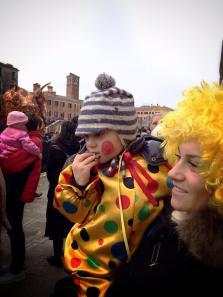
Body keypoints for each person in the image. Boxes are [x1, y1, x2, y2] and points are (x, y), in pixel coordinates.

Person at [53, 73, 171, 297]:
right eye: (86, 136)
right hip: (88, 261)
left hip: (137, 266)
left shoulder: (153, 161)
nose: (90, 144)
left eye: (97, 134)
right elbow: (74, 214)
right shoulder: (81, 165)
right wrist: (78, 183)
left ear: (123, 133)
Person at [106, 81, 223, 295]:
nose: (172, 173)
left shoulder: (197, 268)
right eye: (178, 157)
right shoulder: (166, 218)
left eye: (194, 163)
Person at [0, 113, 43, 284]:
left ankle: (17, 269)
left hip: (17, 191)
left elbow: (12, 165)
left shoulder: (33, 142)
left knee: (15, 227)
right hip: (17, 189)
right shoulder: (28, 141)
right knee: (13, 227)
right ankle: (14, 264)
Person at [45, 120, 80, 267]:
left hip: (57, 191)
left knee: (56, 224)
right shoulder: (80, 147)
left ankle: (57, 256)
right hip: (76, 191)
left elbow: (50, 173)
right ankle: (71, 255)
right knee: (73, 223)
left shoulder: (55, 148)